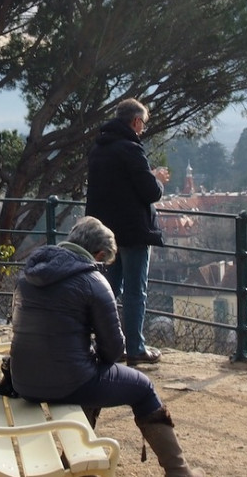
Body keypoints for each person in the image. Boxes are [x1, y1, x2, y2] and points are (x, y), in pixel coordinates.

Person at [9, 217, 205, 477]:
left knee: (92, 371)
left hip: (23, 380)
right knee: (143, 388)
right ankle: (178, 471)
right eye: (103, 262)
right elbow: (113, 350)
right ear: (99, 254)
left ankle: (73, 460)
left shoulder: (31, 271)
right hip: (66, 382)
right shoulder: (93, 281)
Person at [86, 97, 170, 366]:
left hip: (106, 232)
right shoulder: (131, 149)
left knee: (108, 288)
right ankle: (135, 348)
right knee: (135, 290)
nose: (143, 129)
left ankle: (108, 343)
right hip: (133, 231)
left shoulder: (99, 149)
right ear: (135, 121)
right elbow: (150, 191)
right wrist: (157, 178)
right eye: (143, 124)